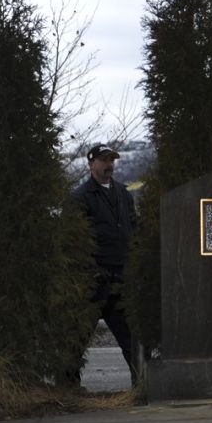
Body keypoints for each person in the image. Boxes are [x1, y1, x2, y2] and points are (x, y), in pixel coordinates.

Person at [71, 143, 138, 385]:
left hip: (121, 277)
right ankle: (68, 386)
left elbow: (133, 228)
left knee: (131, 337)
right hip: (95, 281)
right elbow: (76, 241)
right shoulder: (81, 197)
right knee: (78, 338)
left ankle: (141, 384)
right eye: (103, 160)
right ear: (91, 164)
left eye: (111, 160)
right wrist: (91, 270)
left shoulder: (123, 194)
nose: (109, 164)